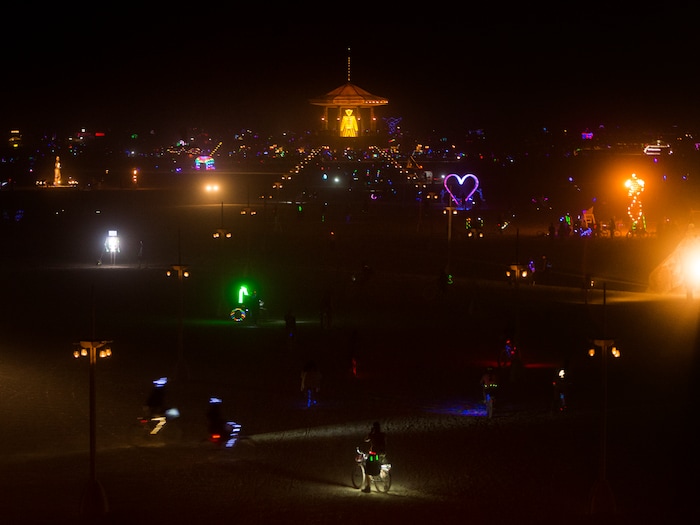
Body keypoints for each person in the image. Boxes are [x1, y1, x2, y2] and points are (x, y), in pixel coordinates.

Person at [362, 421, 386, 492]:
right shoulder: (383, 435)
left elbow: (366, 439)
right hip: (382, 454)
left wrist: (371, 432)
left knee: (367, 469)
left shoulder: (373, 435)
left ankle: (368, 487)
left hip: (374, 454)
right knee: (379, 464)